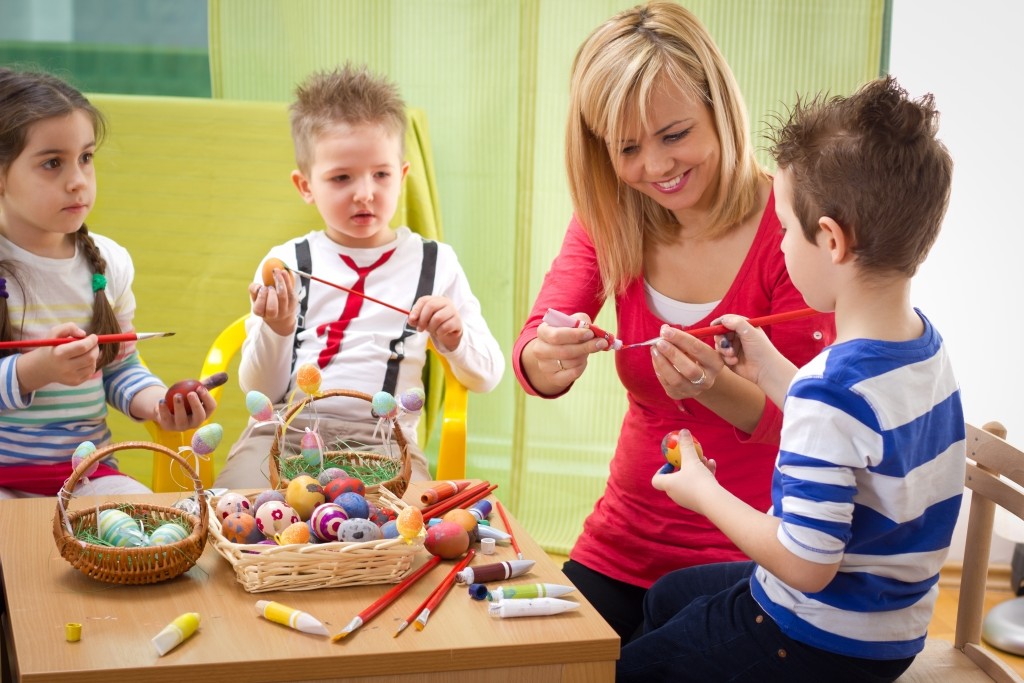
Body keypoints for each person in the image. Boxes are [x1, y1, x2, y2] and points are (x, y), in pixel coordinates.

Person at [618, 75, 961, 682]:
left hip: (815, 638)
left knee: (631, 668)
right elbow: (860, 438)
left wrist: (701, 490)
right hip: (890, 627)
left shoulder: (832, 391)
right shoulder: (921, 349)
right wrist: (769, 366)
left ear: (829, 239)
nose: (777, 241)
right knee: (668, 595)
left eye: (782, 228)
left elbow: (806, 565)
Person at [513, 2, 835, 641]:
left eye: (675, 134)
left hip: (753, 557)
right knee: (536, 656)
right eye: (627, 148)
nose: (656, 167)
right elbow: (532, 352)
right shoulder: (611, 219)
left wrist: (715, 386)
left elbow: (811, 426)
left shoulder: (789, 233)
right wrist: (547, 357)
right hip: (622, 544)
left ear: (720, 107)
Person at [214, 64, 504, 489]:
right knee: (233, 508)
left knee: (400, 535)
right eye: (341, 177)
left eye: (381, 174)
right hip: (283, 433)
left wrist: (454, 339)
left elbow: (488, 375)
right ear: (306, 185)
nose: (365, 192)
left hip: (384, 442)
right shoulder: (288, 260)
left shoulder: (434, 262)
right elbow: (259, 389)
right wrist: (277, 329)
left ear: (402, 176)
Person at [0, 67, 218, 499]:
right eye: (51, 163)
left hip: (87, 475)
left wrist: (159, 404)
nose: (78, 179)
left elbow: (120, 367)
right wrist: (34, 371)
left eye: (85, 157)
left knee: (156, 531)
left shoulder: (109, 262)